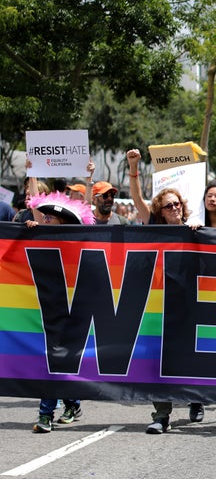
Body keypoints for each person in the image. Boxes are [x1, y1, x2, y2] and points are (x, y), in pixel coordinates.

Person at [126, 148, 205, 433]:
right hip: (159, 306)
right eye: (168, 206)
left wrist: (201, 231)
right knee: (160, 360)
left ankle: (196, 398)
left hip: (190, 305)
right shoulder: (154, 230)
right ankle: (161, 416)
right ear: (159, 212)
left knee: (189, 357)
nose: (174, 209)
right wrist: (134, 168)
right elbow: (136, 198)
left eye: (177, 205)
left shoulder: (196, 229)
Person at [24, 182, 95, 432]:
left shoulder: (79, 245)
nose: (44, 219)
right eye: (44, 216)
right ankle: (64, 406)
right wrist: (32, 230)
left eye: (50, 218)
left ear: (63, 223)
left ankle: (51, 412)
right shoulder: (40, 237)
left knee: (59, 359)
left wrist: (88, 180)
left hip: (77, 308)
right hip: (49, 307)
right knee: (53, 358)